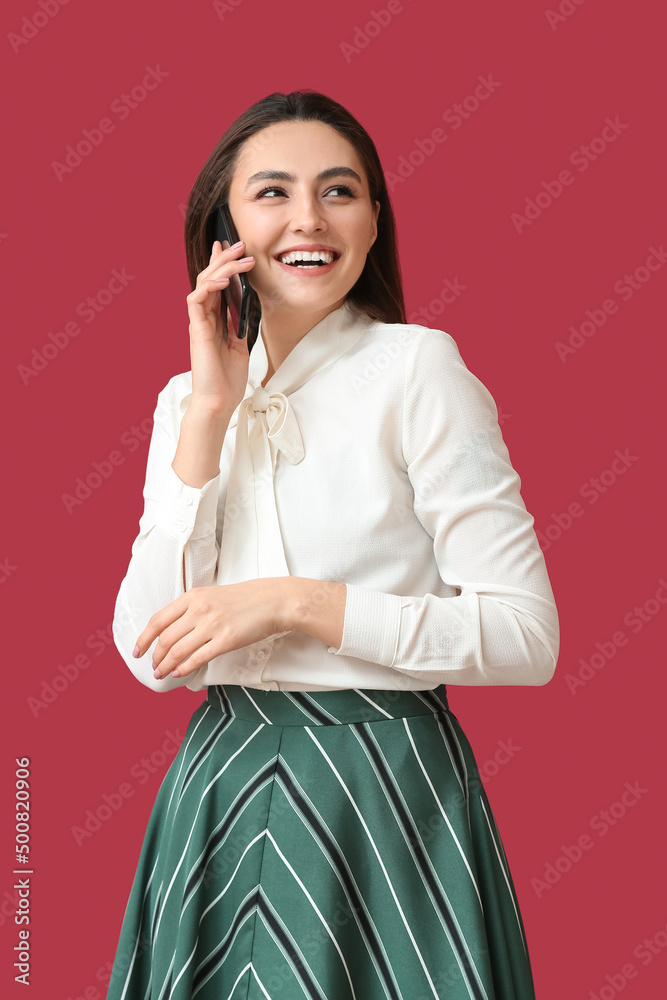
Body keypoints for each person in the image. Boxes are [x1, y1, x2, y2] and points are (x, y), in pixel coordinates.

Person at [106, 89, 559, 1000]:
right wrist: (206, 413)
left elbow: (524, 637)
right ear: (222, 227)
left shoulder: (418, 369)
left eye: (339, 192)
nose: (307, 220)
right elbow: (151, 659)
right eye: (271, 192)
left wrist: (293, 602)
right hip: (220, 786)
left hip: (384, 790)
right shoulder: (182, 401)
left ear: (374, 219)